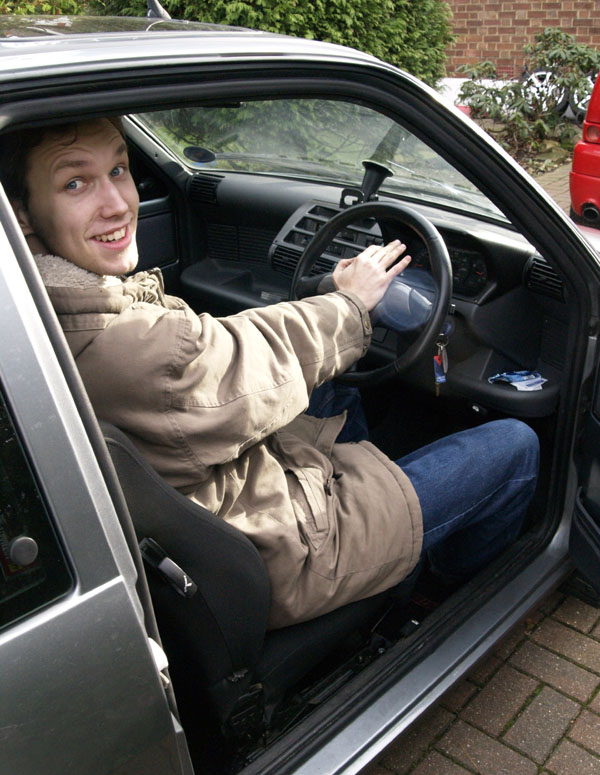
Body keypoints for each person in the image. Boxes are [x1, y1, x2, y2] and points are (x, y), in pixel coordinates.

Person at [0, 117, 540, 629]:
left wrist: (330, 305)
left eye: (119, 170)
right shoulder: (123, 348)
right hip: (285, 546)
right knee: (517, 445)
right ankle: (441, 591)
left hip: (223, 489)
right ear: (23, 216)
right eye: (76, 183)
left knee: (328, 381)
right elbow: (226, 359)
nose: (118, 203)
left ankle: (385, 509)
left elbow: (226, 355)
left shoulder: (45, 311)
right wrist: (350, 304)